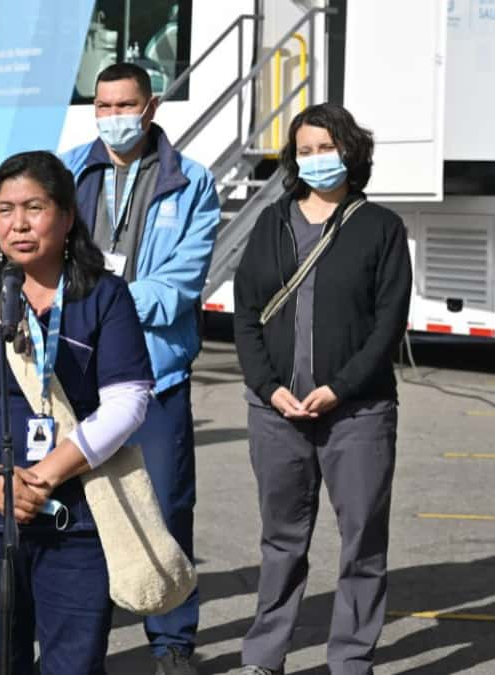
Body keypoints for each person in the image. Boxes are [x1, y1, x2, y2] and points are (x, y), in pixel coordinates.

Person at [0, 151, 153, 675]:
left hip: (79, 514)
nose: (18, 223)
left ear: (67, 215)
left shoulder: (105, 294)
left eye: (34, 207)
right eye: (4, 210)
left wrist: (44, 477)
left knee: (75, 661)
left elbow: (128, 399)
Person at [233, 103, 411, 675]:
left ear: (350, 152)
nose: (316, 159)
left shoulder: (381, 227)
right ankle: (265, 657)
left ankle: (352, 659)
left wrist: (339, 387)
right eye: (305, 150)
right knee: (281, 540)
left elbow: (387, 324)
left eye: (326, 148)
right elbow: (246, 314)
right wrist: (267, 386)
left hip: (357, 413)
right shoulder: (272, 223)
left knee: (362, 540)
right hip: (276, 413)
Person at [61, 62, 219, 675]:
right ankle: (83, 641)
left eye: (125, 105)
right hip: (75, 373)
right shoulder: (69, 170)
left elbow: (182, 281)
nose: (114, 117)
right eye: (103, 106)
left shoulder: (191, 182)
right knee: (79, 513)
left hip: (157, 372)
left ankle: (172, 640)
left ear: (150, 106)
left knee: (168, 507)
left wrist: (104, 300)